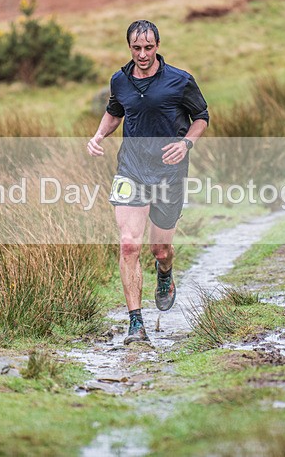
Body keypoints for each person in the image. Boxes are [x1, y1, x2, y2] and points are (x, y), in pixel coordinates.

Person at [87, 20, 209, 344]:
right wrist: (100, 134)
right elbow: (115, 111)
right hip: (132, 169)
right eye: (136, 48)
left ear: (157, 46)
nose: (142, 54)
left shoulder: (180, 81)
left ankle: (165, 272)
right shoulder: (120, 80)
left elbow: (202, 117)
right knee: (129, 244)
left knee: (160, 248)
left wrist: (186, 143)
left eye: (148, 48)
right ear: (129, 47)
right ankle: (135, 324)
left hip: (169, 172)